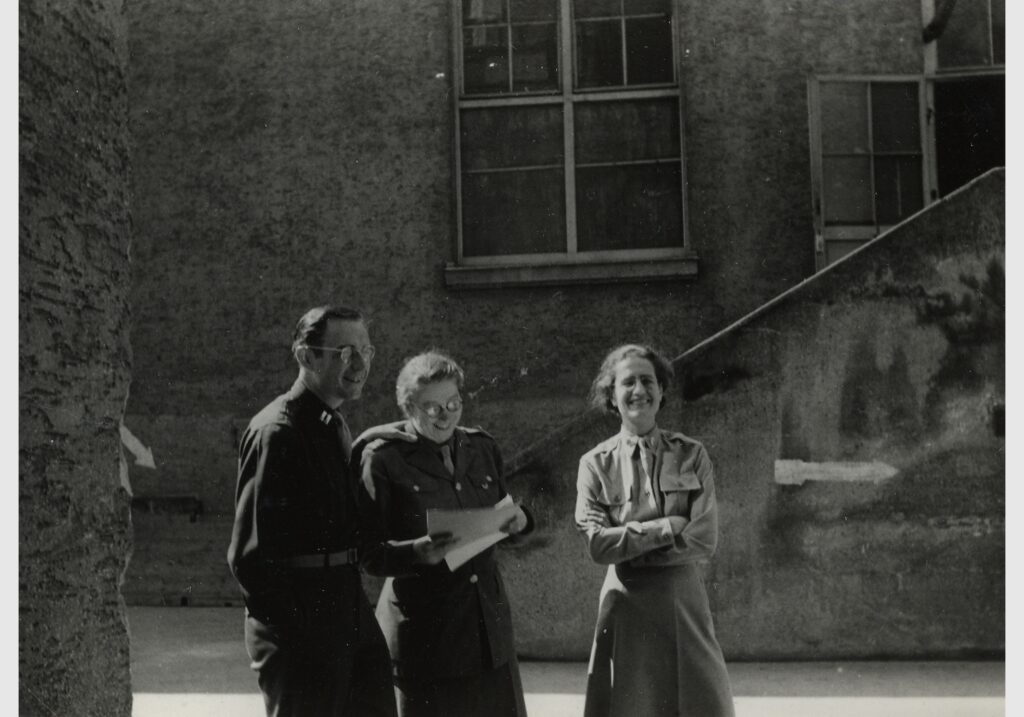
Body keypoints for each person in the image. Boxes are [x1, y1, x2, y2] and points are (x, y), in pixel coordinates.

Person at [227, 305, 397, 717]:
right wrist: (297, 638)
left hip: (347, 609)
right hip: (303, 625)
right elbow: (251, 557)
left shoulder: (331, 424)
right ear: (306, 356)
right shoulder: (278, 430)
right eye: (343, 352)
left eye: (366, 351)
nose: (359, 364)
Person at [355, 350, 532, 717]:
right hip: (427, 636)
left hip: (487, 631)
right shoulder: (383, 459)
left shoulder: (482, 447)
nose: (446, 414)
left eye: (453, 403)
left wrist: (521, 521)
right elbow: (367, 553)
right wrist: (416, 552)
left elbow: (502, 511)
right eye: (432, 407)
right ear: (409, 407)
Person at [574, 344, 735, 717]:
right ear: (611, 396)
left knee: (699, 702)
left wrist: (627, 541)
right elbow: (598, 546)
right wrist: (666, 527)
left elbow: (703, 538)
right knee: (627, 704)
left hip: (683, 603)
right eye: (627, 382)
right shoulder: (594, 465)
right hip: (623, 606)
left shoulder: (692, 455)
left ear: (662, 391)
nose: (639, 391)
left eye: (648, 381)